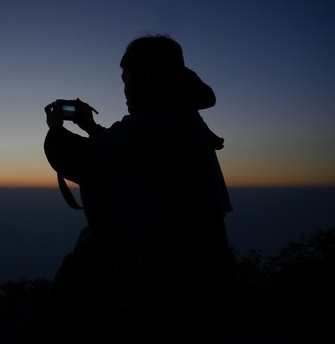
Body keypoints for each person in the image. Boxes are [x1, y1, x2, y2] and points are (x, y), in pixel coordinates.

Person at [43, 34, 234, 343]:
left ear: (144, 76)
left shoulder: (151, 123)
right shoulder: (185, 121)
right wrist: (91, 127)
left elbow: (79, 159)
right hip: (206, 264)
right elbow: (128, 152)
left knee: (76, 276)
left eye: (126, 79)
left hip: (166, 274)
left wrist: (55, 129)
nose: (125, 88)